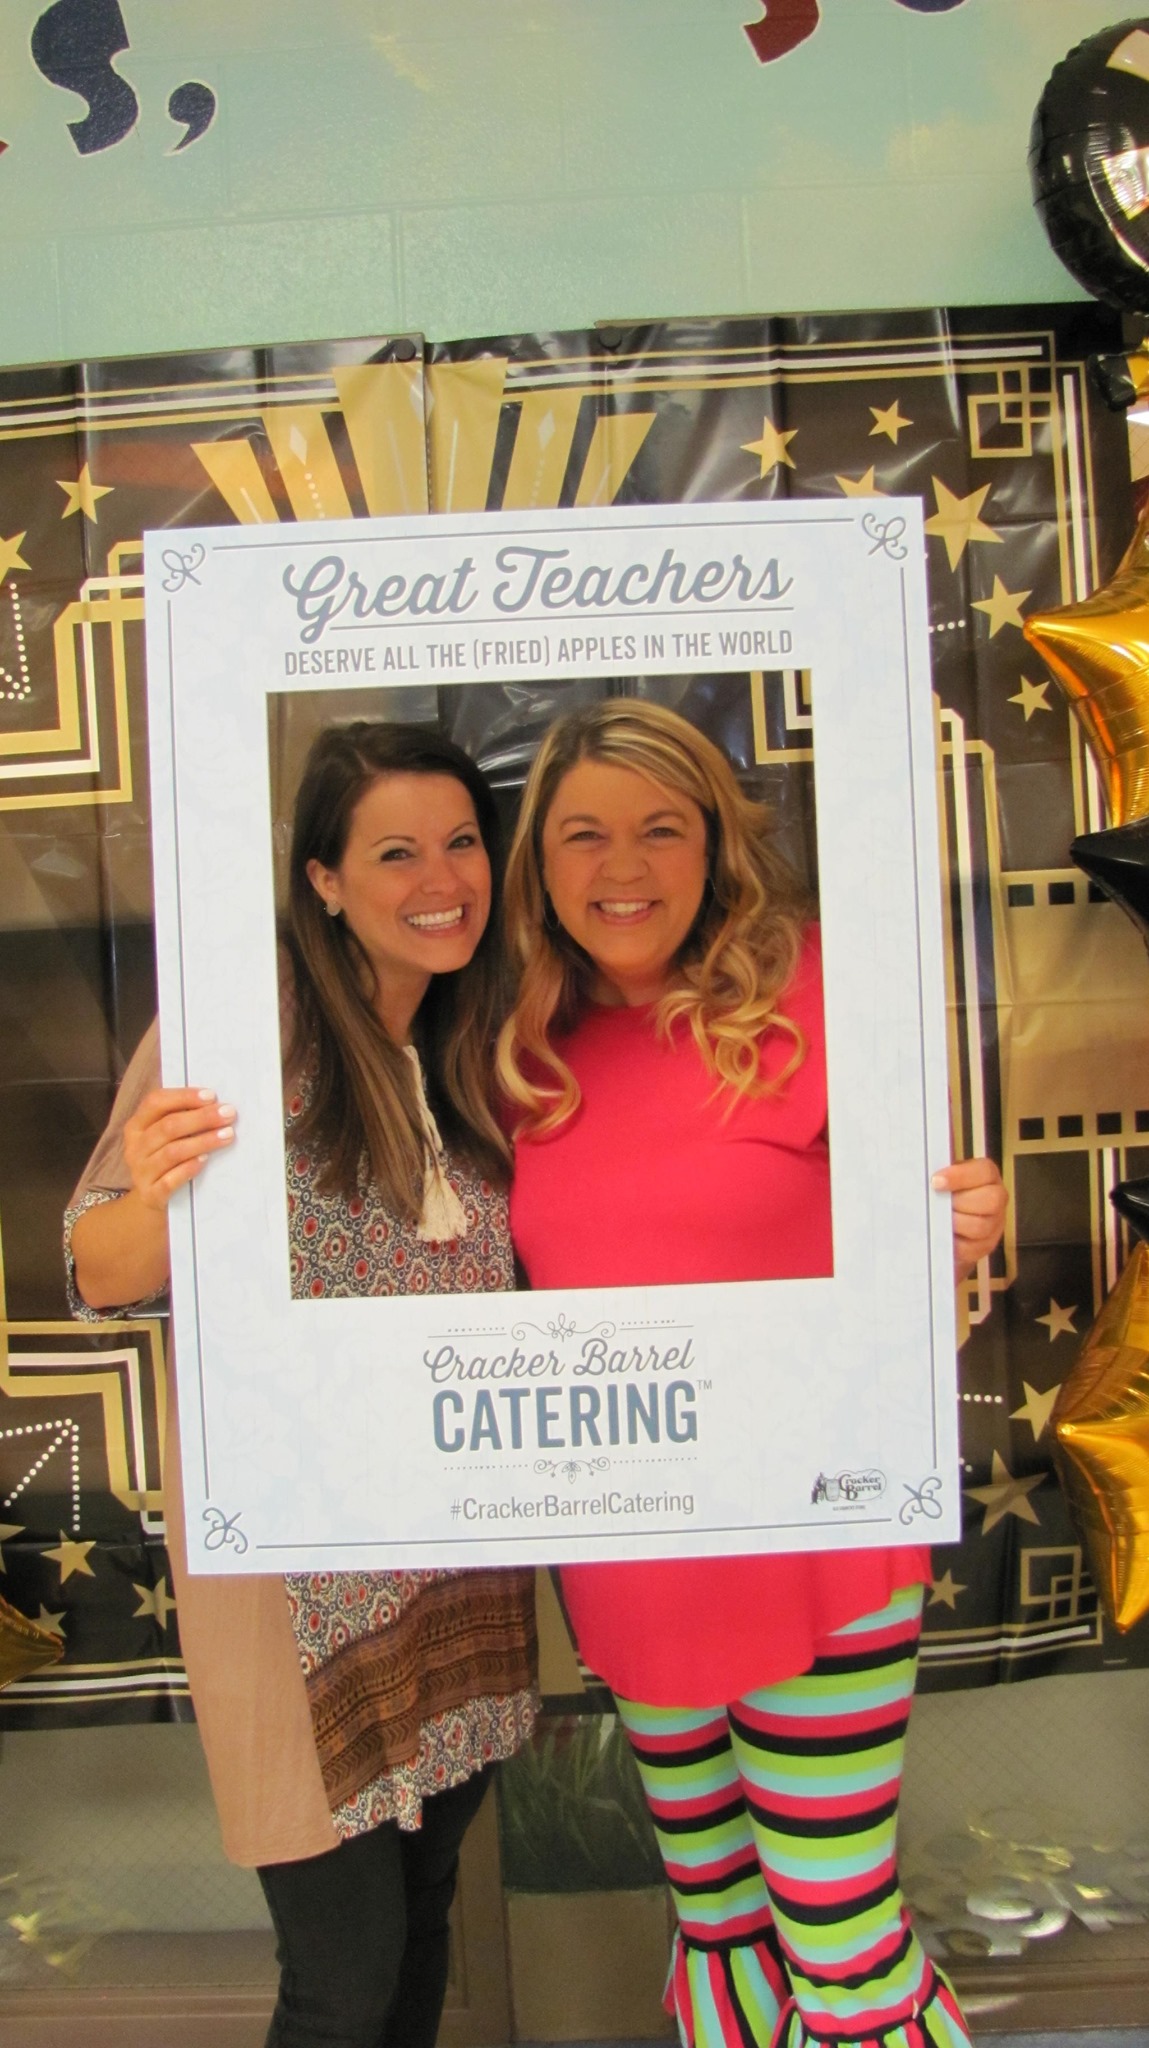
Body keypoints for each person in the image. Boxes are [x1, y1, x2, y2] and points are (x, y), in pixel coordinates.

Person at [497, 698, 1007, 2048]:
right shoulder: (511, 1047)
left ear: (716, 845)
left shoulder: (823, 988)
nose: (622, 867)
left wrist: (956, 1220)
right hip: (633, 1555)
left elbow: (916, 1227)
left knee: (838, 1940)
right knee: (719, 1922)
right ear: (538, 862)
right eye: (583, 834)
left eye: (661, 829)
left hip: (813, 1546)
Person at [67, 721, 538, 2048]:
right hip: (297, 1585)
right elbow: (99, 1266)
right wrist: (157, 1187)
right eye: (394, 853)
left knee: (424, 1920)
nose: (440, 879)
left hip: (454, 1565)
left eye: (460, 843)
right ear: (323, 880)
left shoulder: (473, 1038)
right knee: (342, 1973)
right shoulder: (249, 1020)